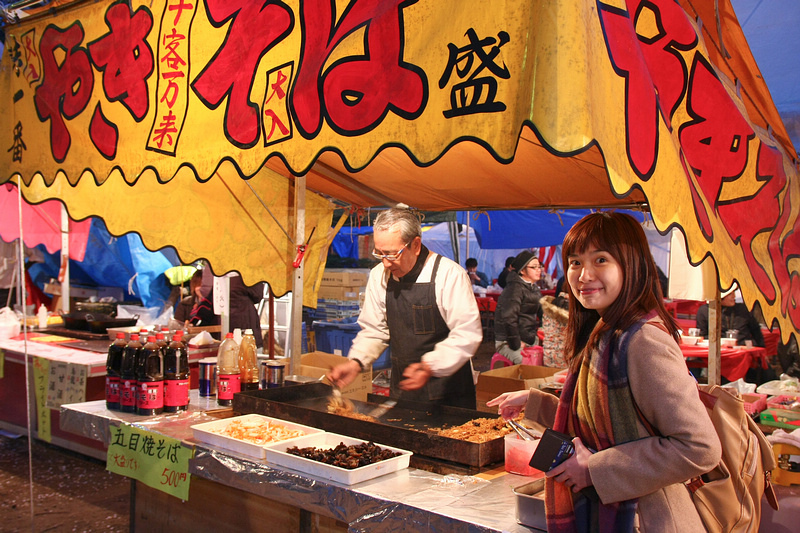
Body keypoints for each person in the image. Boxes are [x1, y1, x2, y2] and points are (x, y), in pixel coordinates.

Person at [487, 212, 720, 532]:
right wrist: (536, 402)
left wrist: (595, 469)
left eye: (600, 259)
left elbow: (700, 448)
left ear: (631, 264)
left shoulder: (642, 340)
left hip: (646, 517)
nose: (584, 275)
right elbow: (602, 425)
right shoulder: (605, 331)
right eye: (575, 262)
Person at [327, 208, 482, 409]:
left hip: (450, 394)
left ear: (415, 245)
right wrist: (356, 362)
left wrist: (429, 366)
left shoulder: (449, 275)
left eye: (391, 254)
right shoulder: (379, 275)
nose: (385, 262)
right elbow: (375, 330)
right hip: (404, 390)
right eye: (379, 253)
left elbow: (467, 334)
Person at [493, 251, 543, 364]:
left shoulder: (534, 289)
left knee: (549, 360)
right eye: (534, 267)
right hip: (507, 341)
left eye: (539, 266)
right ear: (522, 271)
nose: (538, 270)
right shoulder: (514, 289)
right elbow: (509, 318)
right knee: (529, 366)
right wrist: (515, 343)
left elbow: (543, 313)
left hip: (529, 339)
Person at [695, 283, 765, 348]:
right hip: (716, 349)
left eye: (734, 292)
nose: (734, 296)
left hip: (743, 350)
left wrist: (763, 350)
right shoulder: (705, 311)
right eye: (730, 294)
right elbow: (701, 336)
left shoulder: (743, 309)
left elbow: (756, 331)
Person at [228, 274, 265, 349]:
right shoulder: (246, 275)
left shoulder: (220, 274)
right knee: (248, 355)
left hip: (226, 323)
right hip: (245, 322)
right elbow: (257, 295)